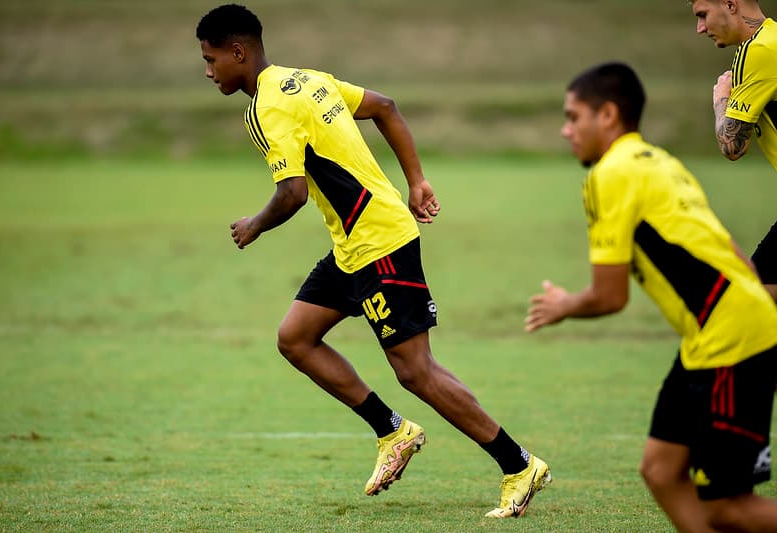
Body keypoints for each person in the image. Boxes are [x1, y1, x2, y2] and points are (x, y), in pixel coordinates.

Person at [195, 4, 550, 518]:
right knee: (295, 338)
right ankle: (393, 431)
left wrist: (254, 225)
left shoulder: (266, 108)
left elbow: (292, 193)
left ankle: (519, 465)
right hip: (353, 246)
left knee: (417, 372)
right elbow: (385, 106)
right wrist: (416, 181)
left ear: (238, 52)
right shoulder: (308, 79)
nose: (208, 72)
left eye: (211, 60)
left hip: (379, 243)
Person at [525, 62, 777, 532]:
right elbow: (732, 251)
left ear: (607, 115)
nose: (565, 130)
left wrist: (564, 306)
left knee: (728, 507)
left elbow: (610, 297)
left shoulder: (609, 175)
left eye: (573, 117)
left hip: (732, 339)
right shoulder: (661, 161)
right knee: (660, 471)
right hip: (712, 337)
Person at [691, 0, 777, 302]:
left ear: (730, 4)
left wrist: (721, 100)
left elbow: (732, 145)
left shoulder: (759, 50)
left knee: (752, 302)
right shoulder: (771, 39)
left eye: (703, 15)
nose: (700, 28)